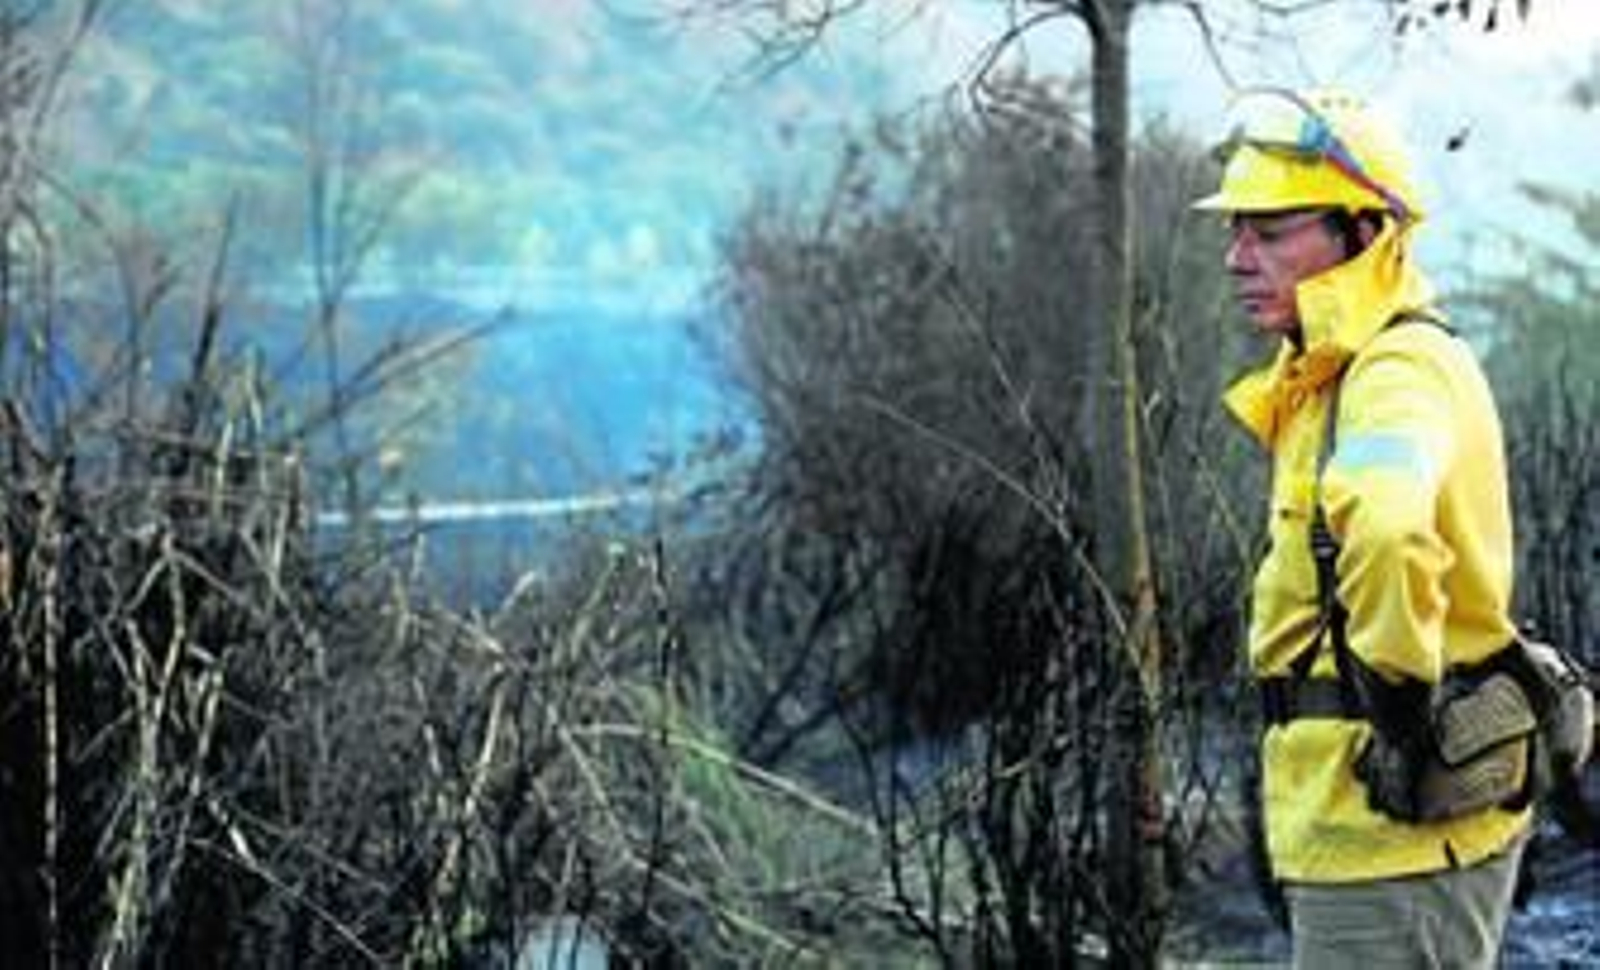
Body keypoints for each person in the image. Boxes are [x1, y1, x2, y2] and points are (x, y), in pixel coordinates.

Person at [1193, 87, 1532, 968]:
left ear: (1363, 232)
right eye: (1236, 229)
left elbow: (1383, 531)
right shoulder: (1334, 373)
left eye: (1271, 232)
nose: (1237, 257)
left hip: (1390, 835)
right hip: (1354, 828)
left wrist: (1402, 714)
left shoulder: (1394, 369)